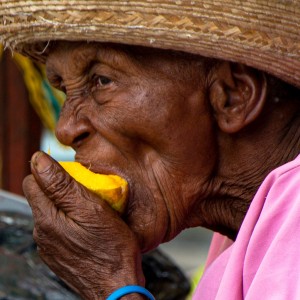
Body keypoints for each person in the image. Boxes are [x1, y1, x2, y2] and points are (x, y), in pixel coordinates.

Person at [1, 1, 300, 299]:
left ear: (232, 96)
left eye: (101, 81)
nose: (65, 129)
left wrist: (114, 285)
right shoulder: (249, 230)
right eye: (65, 90)